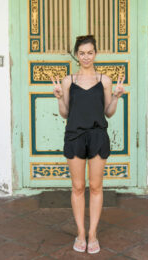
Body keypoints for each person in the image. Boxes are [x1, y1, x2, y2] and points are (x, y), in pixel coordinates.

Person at [51, 35, 125, 254]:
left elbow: (108, 113)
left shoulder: (104, 80)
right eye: (82, 53)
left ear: (95, 53)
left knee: (95, 186)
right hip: (74, 136)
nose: (86, 57)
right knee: (77, 187)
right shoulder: (68, 81)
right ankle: (80, 233)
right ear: (77, 55)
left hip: (97, 136)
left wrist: (117, 97)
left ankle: (93, 234)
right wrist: (58, 98)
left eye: (90, 52)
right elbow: (65, 113)